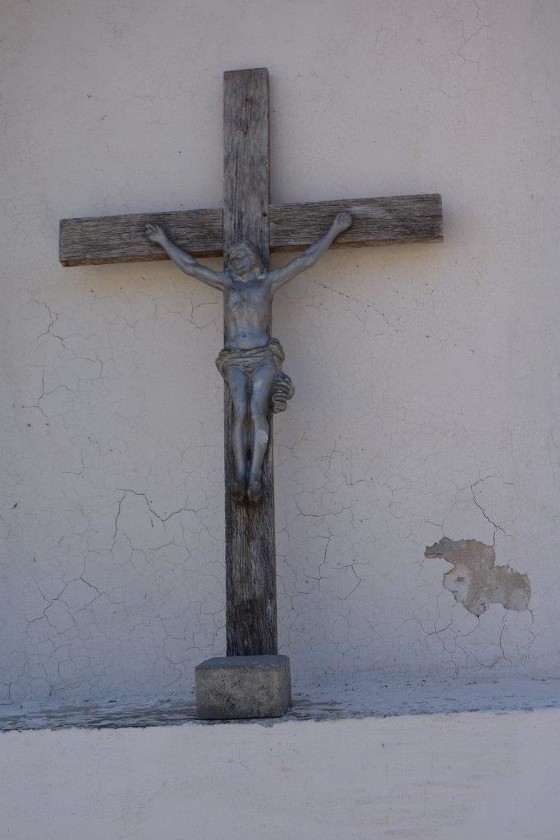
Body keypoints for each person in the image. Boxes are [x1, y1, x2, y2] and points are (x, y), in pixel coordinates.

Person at [146, 211, 352, 503]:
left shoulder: (267, 283)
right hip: (233, 358)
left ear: (253, 259)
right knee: (240, 411)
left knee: (257, 410)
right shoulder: (227, 284)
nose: (235, 261)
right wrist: (163, 241)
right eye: (232, 258)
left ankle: (255, 475)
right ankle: (239, 474)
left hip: (263, 355)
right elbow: (191, 267)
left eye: (241, 256)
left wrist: (334, 229)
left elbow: (306, 260)